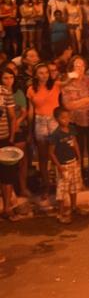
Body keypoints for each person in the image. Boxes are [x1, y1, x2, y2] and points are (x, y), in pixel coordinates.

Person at [61, 56, 89, 188]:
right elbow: (67, 105)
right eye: (76, 65)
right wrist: (85, 100)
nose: (80, 68)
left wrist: (78, 103)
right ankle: (78, 177)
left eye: (82, 65)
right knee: (76, 150)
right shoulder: (66, 82)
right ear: (71, 67)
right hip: (75, 122)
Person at [27, 63, 61, 204]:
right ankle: (46, 186)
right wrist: (30, 130)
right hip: (40, 121)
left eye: (46, 72)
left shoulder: (56, 85)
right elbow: (30, 111)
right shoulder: (31, 89)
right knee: (42, 157)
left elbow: (69, 81)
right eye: (41, 73)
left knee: (56, 154)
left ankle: (60, 185)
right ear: (36, 75)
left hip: (53, 120)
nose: (44, 75)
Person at [49, 106, 83, 224]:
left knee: (74, 186)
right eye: (63, 118)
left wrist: (79, 157)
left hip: (73, 162)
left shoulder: (72, 129)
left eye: (68, 117)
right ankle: (61, 213)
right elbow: (51, 153)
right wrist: (58, 166)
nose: (66, 120)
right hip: (63, 165)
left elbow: (75, 143)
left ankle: (74, 207)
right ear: (57, 119)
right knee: (62, 190)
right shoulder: (55, 135)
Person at [2, 65, 30, 197]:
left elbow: (21, 113)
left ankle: (22, 189)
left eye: (11, 77)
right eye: (5, 78)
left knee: (19, 162)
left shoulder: (16, 93)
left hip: (14, 132)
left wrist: (15, 127)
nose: (9, 81)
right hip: (5, 132)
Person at [0, 71, 17, 221]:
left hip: (4, 138)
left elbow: (12, 116)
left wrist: (11, 137)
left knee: (7, 175)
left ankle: (6, 208)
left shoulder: (5, 92)